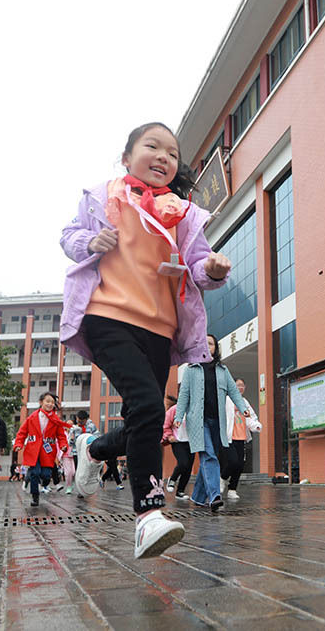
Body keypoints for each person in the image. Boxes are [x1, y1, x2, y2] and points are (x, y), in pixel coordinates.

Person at [61, 122, 233, 558]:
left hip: (159, 328)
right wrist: (90, 240)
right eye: (152, 146)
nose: (162, 157)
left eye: (171, 153)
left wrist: (212, 270)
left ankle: (93, 447)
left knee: (147, 417)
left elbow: (196, 265)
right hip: (108, 316)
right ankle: (148, 516)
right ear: (127, 156)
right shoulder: (105, 196)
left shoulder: (183, 213)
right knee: (148, 405)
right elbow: (68, 236)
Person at [175, 334, 250, 511]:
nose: (207, 346)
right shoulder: (191, 369)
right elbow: (184, 395)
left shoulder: (223, 370)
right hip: (198, 422)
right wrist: (178, 417)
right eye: (204, 343)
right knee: (209, 455)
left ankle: (199, 497)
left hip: (218, 422)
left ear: (215, 348)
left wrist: (243, 408)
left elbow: (233, 391)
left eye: (211, 344)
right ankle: (215, 496)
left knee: (210, 457)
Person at [13, 392, 70, 506]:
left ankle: (45, 483)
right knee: (35, 473)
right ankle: (35, 496)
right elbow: (22, 432)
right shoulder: (32, 417)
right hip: (33, 450)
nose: (50, 404)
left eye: (52, 402)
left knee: (46, 475)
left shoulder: (55, 420)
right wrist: (18, 444)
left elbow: (61, 435)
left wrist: (64, 445)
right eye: (47, 401)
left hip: (47, 451)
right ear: (41, 402)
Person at [220, 378, 262, 500]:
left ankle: (232, 490)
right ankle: (222, 479)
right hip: (229, 437)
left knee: (239, 465)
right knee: (233, 461)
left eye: (242, 386)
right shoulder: (227, 400)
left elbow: (251, 417)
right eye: (238, 385)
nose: (240, 388)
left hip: (241, 437)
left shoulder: (244, 402)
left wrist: (256, 425)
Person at [162, 394, 193, 500]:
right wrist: (169, 436)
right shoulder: (174, 409)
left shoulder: (193, 409)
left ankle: (180, 492)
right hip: (178, 441)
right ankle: (172, 479)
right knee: (183, 463)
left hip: (191, 442)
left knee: (188, 468)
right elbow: (165, 424)